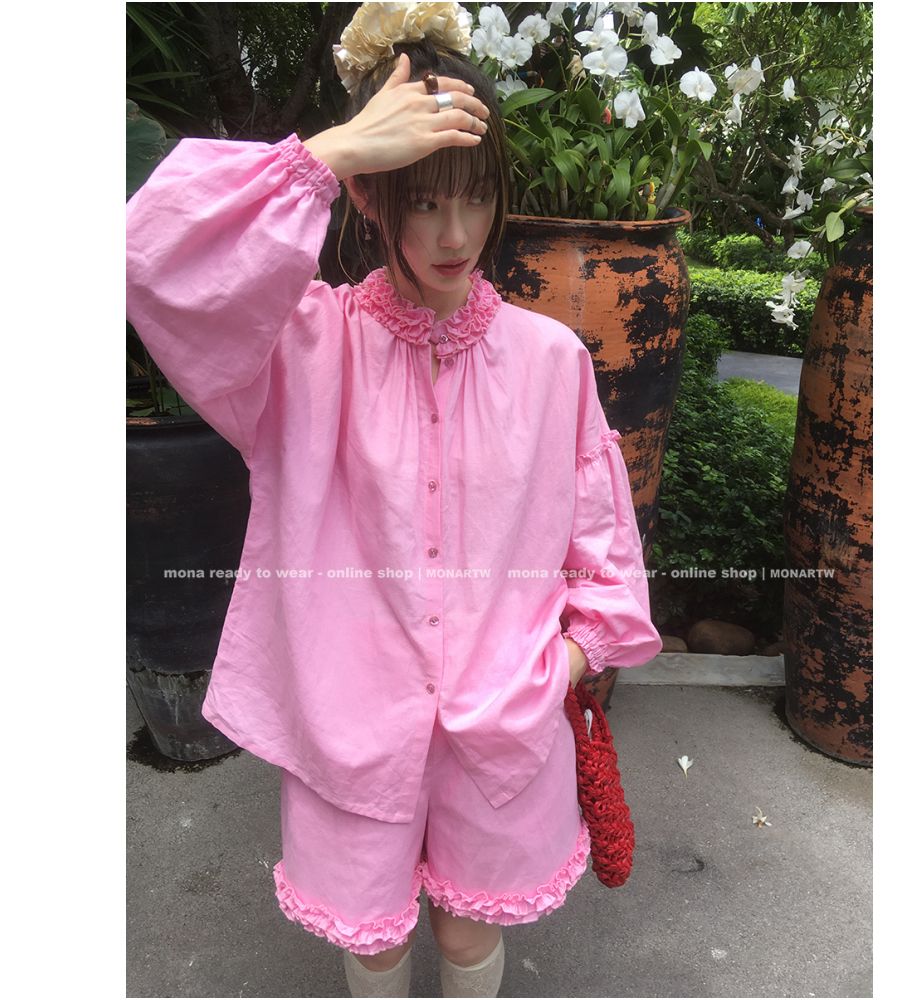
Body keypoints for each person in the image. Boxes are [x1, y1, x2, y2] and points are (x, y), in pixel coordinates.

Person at [125, 5, 662, 997]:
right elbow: (152, 258)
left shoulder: (551, 363)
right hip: (348, 726)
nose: (455, 235)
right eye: (422, 202)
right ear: (373, 197)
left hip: (505, 723)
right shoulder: (301, 352)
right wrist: (329, 153)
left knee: (466, 935)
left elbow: (605, 555)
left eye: (475, 197)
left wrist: (559, 665)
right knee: (371, 943)